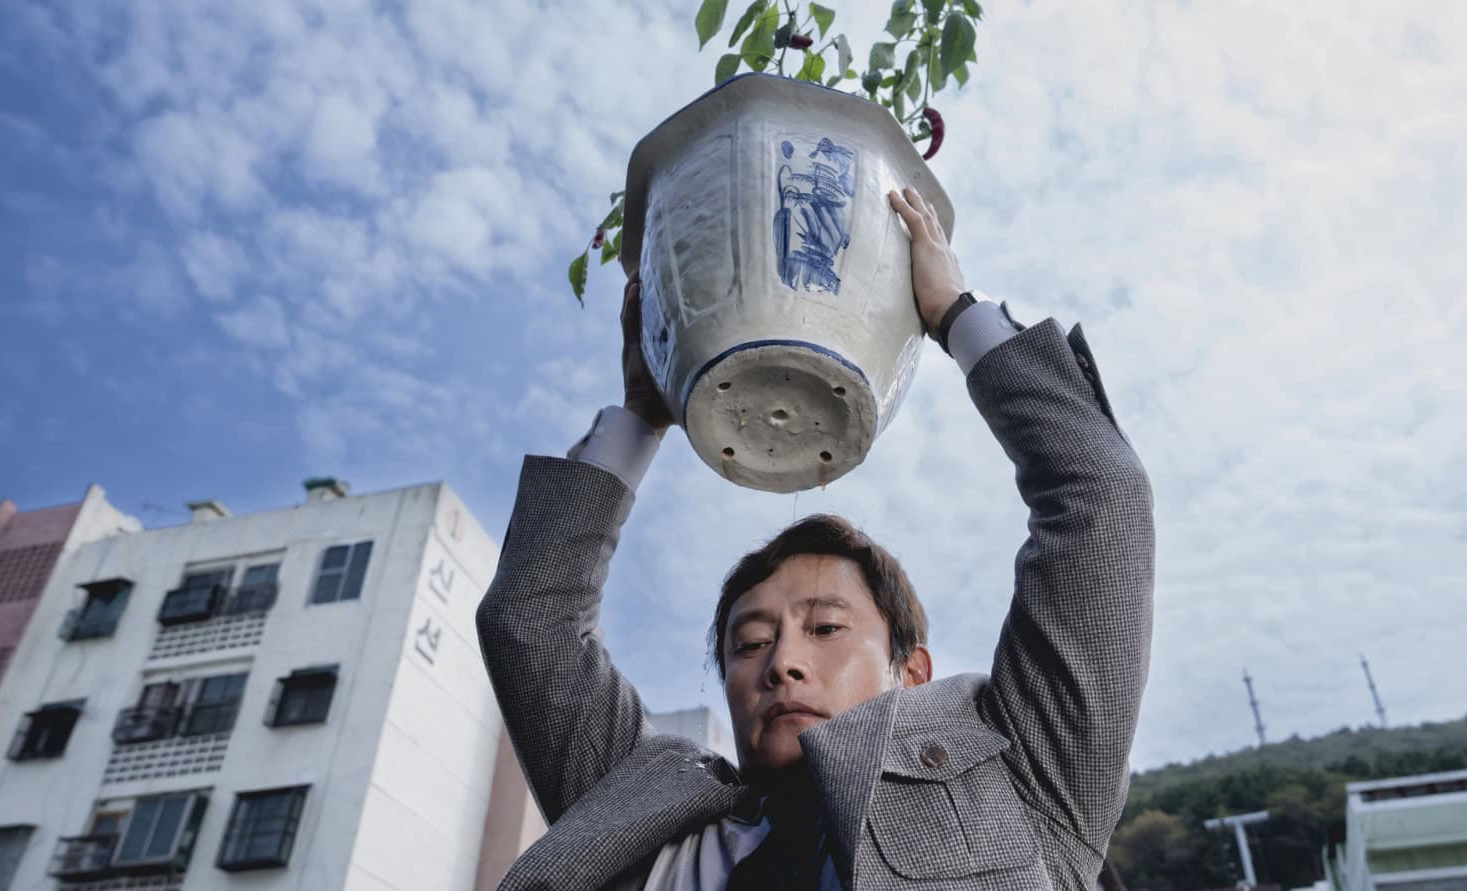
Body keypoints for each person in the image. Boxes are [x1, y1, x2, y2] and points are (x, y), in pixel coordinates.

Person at [477, 186, 1155, 890]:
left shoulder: (1024, 775)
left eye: (827, 627)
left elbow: (1100, 496)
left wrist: (956, 313)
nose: (782, 665)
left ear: (911, 672)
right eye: (748, 644)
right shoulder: (636, 811)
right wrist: (643, 414)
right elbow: (530, 621)